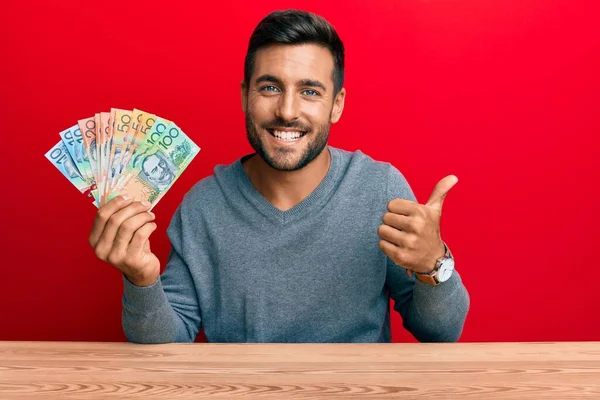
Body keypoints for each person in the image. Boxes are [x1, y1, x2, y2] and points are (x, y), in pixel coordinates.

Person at [89, 9, 469, 343]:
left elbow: (440, 332)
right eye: (270, 88)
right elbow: (168, 339)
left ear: (336, 105)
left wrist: (433, 263)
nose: (287, 111)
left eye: (310, 91)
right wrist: (141, 280)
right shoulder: (204, 205)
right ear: (244, 96)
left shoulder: (380, 190)